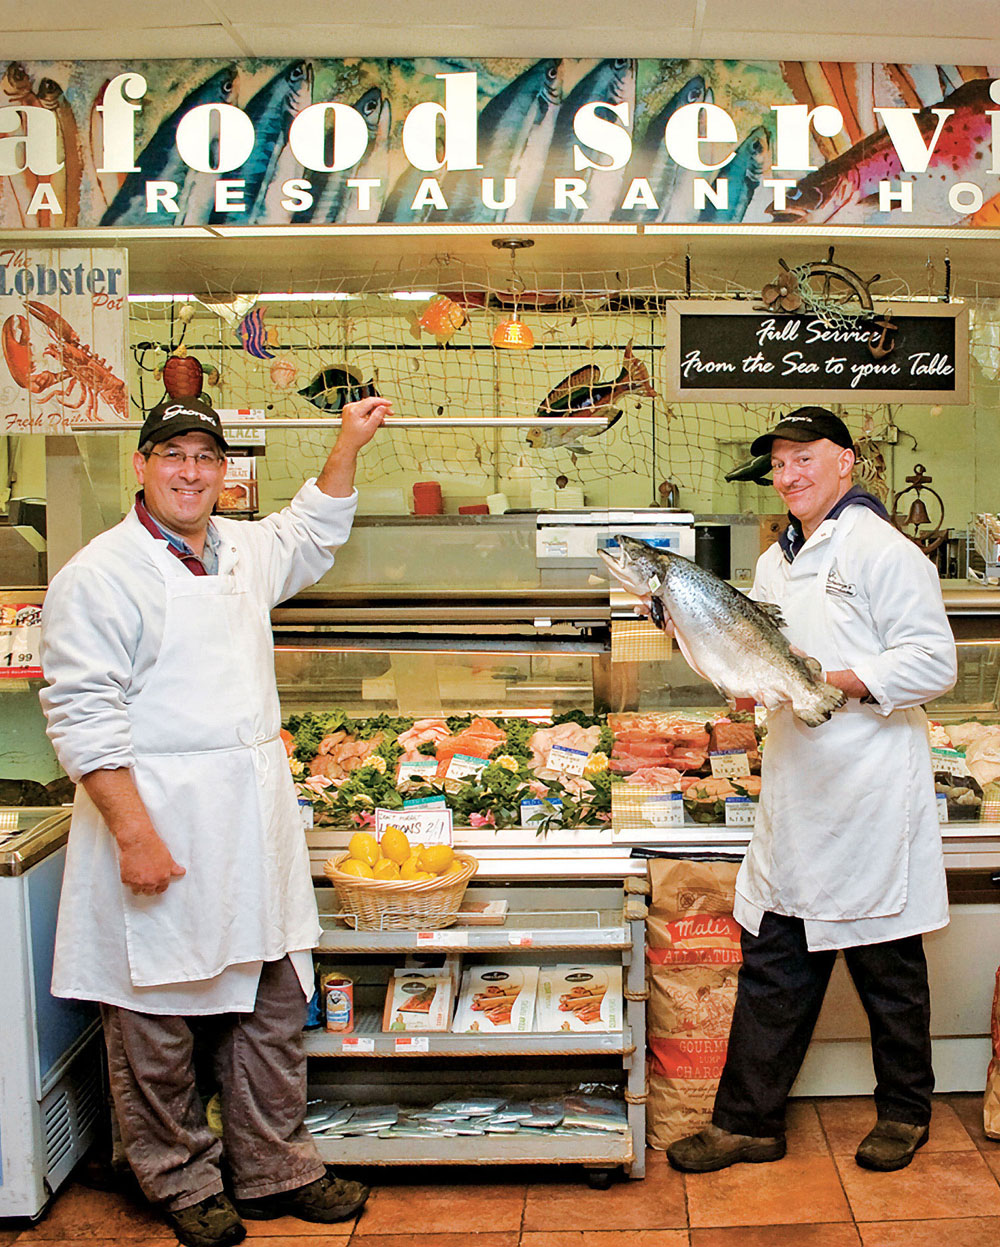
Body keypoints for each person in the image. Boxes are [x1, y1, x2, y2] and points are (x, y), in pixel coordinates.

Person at [39, 393, 391, 1247]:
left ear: (223, 470)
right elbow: (82, 713)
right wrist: (133, 834)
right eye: (173, 455)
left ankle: (276, 1165)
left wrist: (347, 442)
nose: (191, 472)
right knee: (154, 1023)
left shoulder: (242, 548)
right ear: (143, 466)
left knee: (270, 1003)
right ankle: (179, 1177)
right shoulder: (99, 573)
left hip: (247, 823)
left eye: (205, 457)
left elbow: (314, 528)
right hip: (158, 820)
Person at [661, 406, 957, 1175]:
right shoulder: (774, 561)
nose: (789, 475)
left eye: (804, 459)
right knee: (775, 958)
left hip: (868, 787)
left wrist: (838, 680)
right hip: (798, 786)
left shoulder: (884, 550)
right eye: (780, 463)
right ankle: (747, 1122)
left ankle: (903, 1111)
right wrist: (702, 645)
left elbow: (934, 663)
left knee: (886, 963)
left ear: (846, 463)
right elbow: (754, 669)